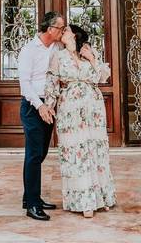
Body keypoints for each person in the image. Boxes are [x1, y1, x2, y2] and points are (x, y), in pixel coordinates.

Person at [44, 23, 117, 218]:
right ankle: (84, 201)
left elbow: (102, 77)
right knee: (76, 151)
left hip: (93, 108)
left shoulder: (87, 50)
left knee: (94, 150)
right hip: (70, 109)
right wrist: (48, 106)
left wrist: (92, 59)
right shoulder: (57, 56)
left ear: (75, 35)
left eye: (66, 30)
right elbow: (51, 82)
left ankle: (101, 197)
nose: (62, 32)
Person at [17, 10, 65, 221]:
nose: (63, 31)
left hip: (50, 104)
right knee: (34, 155)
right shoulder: (29, 50)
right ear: (50, 29)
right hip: (33, 106)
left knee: (41, 152)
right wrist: (40, 106)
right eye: (61, 28)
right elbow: (24, 83)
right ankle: (33, 205)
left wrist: (51, 104)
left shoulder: (57, 47)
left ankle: (30, 197)